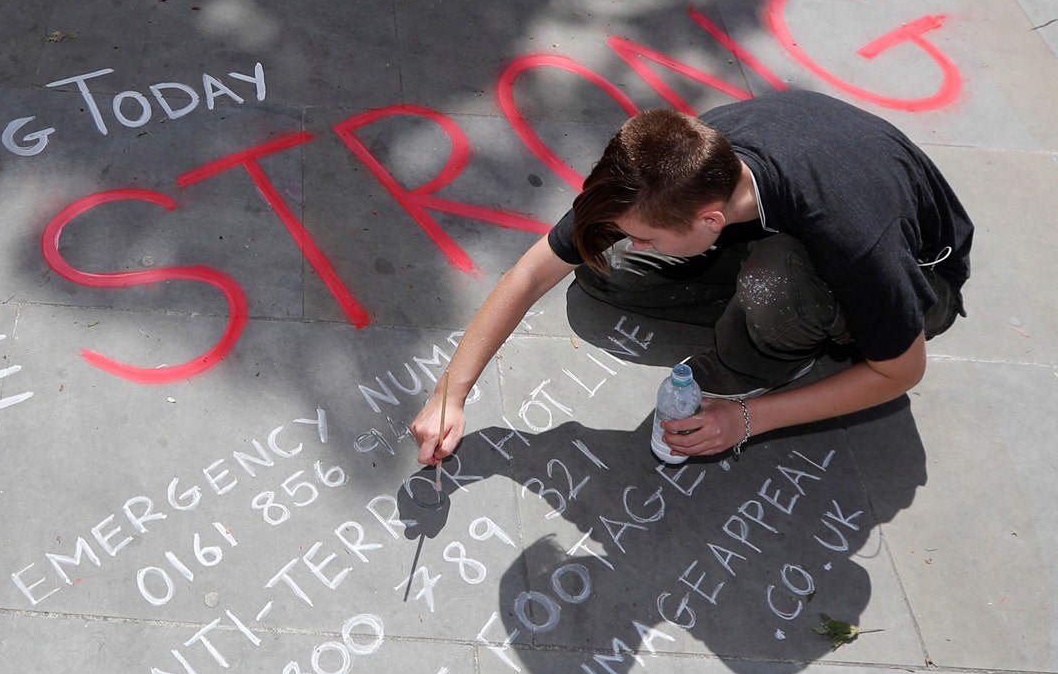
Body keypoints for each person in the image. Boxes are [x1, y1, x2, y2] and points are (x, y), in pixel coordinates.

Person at [407, 89, 972, 465]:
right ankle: (757, 305)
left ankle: (778, 349)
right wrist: (450, 393)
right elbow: (533, 273)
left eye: (647, 234)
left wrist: (746, 419)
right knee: (608, 269)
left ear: (711, 220)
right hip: (778, 226)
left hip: (920, 283)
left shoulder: (851, 234)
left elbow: (901, 371)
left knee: (773, 285)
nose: (637, 240)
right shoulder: (681, 164)